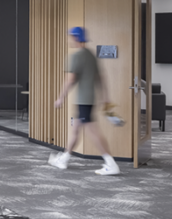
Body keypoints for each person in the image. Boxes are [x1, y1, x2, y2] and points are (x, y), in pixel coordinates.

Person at [48, 26, 119, 175]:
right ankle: (64, 159)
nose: (70, 40)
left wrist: (60, 98)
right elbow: (101, 77)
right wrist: (105, 96)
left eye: (71, 37)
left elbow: (70, 79)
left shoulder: (77, 56)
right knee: (75, 130)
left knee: (93, 132)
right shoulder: (91, 55)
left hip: (83, 100)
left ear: (75, 37)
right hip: (88, 99)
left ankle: (111, 164)